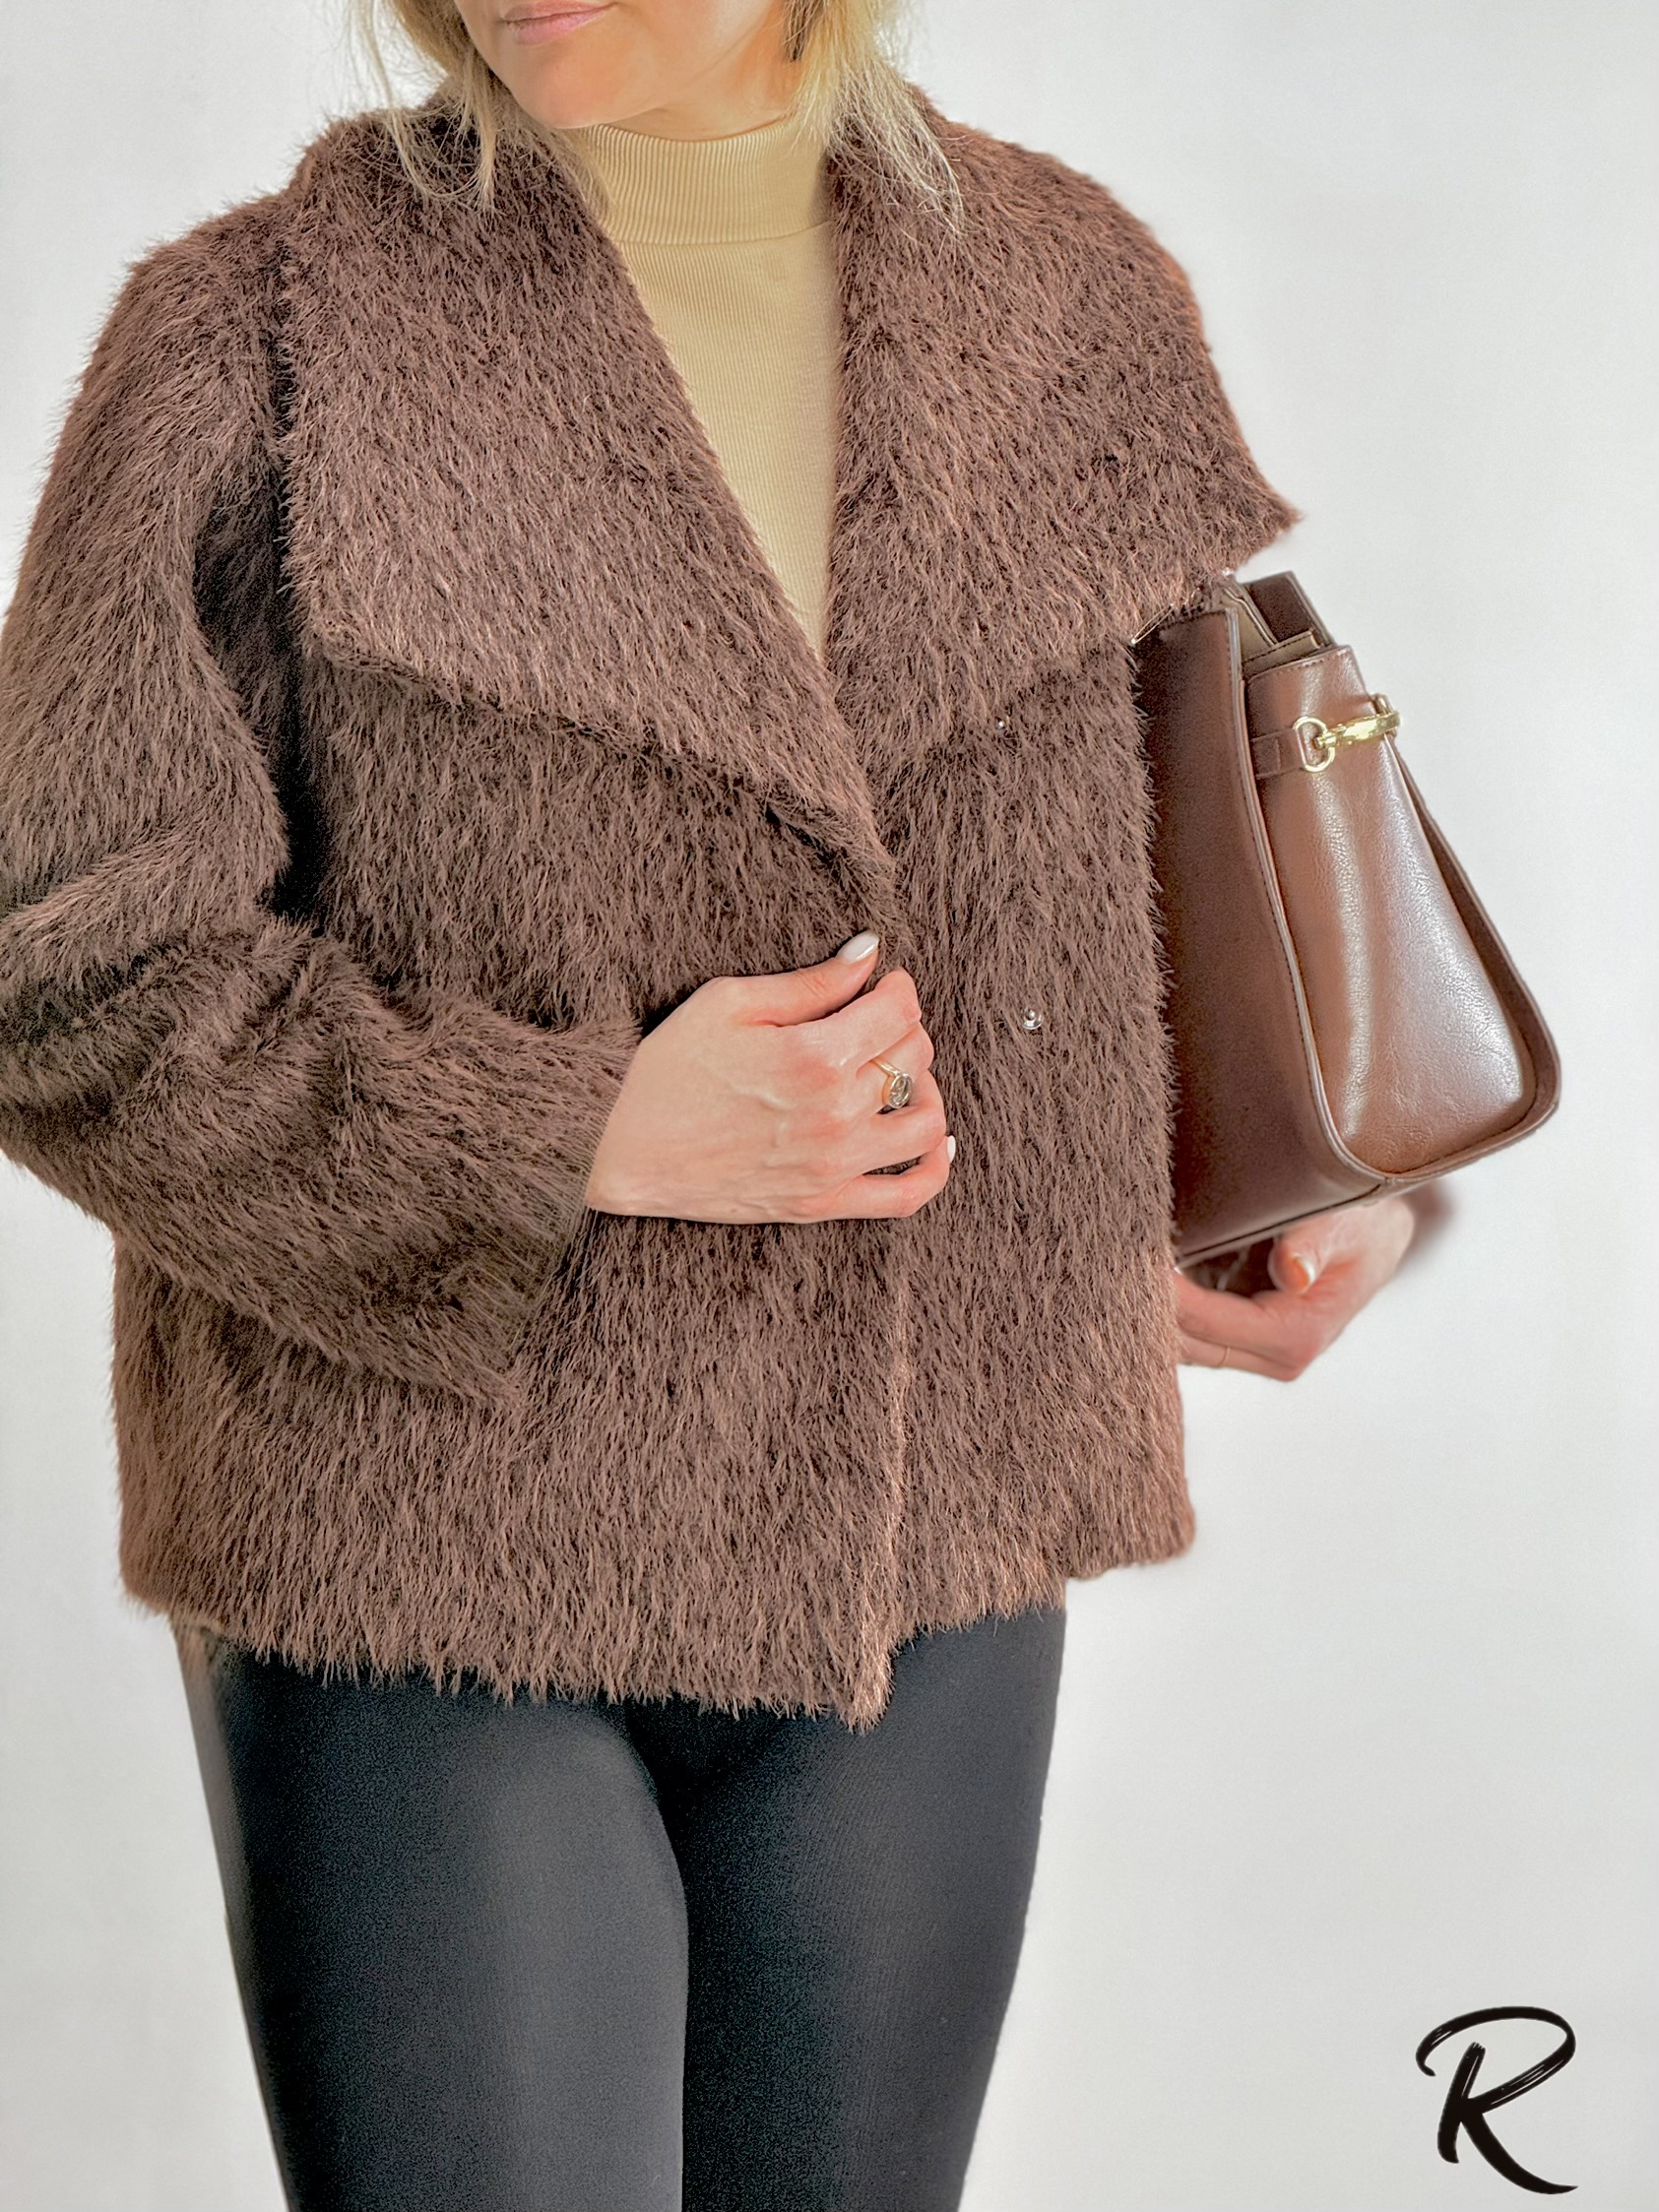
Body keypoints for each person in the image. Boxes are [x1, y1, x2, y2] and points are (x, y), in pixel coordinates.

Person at [0, 2, 1430, 2205]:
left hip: (932, 1534)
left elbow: (1191, 855)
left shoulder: (1068, 298)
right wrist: (557, 1133)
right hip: (424, 1552)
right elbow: (61, 961)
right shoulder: (257, 337)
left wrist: (1294, 1174)